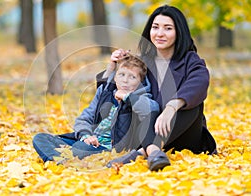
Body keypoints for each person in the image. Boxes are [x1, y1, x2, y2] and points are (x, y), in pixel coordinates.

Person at [101, 5, 217, 171]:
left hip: (182, 135)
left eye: (168, 28)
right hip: (144, 131)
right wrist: (112, 66)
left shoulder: (190, 61)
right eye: (155, 27)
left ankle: (143, 152)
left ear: (179, 32)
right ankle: (153, 151)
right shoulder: (140, 63)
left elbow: (199, 82)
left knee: (191, 105)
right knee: (146, 108)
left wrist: (171, 107)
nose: (160, 33)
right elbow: (105, 95)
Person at [32, 54, 160, 163]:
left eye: (132, 77)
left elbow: (152, 109)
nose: (125, 80)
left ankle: (65, 158)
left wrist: (127, 97)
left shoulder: (141, 97)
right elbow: (84, 118)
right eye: (121, 74)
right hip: (88, 142)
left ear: (140, 82)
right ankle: (60, 161)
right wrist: (85, 135)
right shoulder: (105, 92)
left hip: (106, 148)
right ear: (115, 77)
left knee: (79, 148)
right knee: (40, 138)